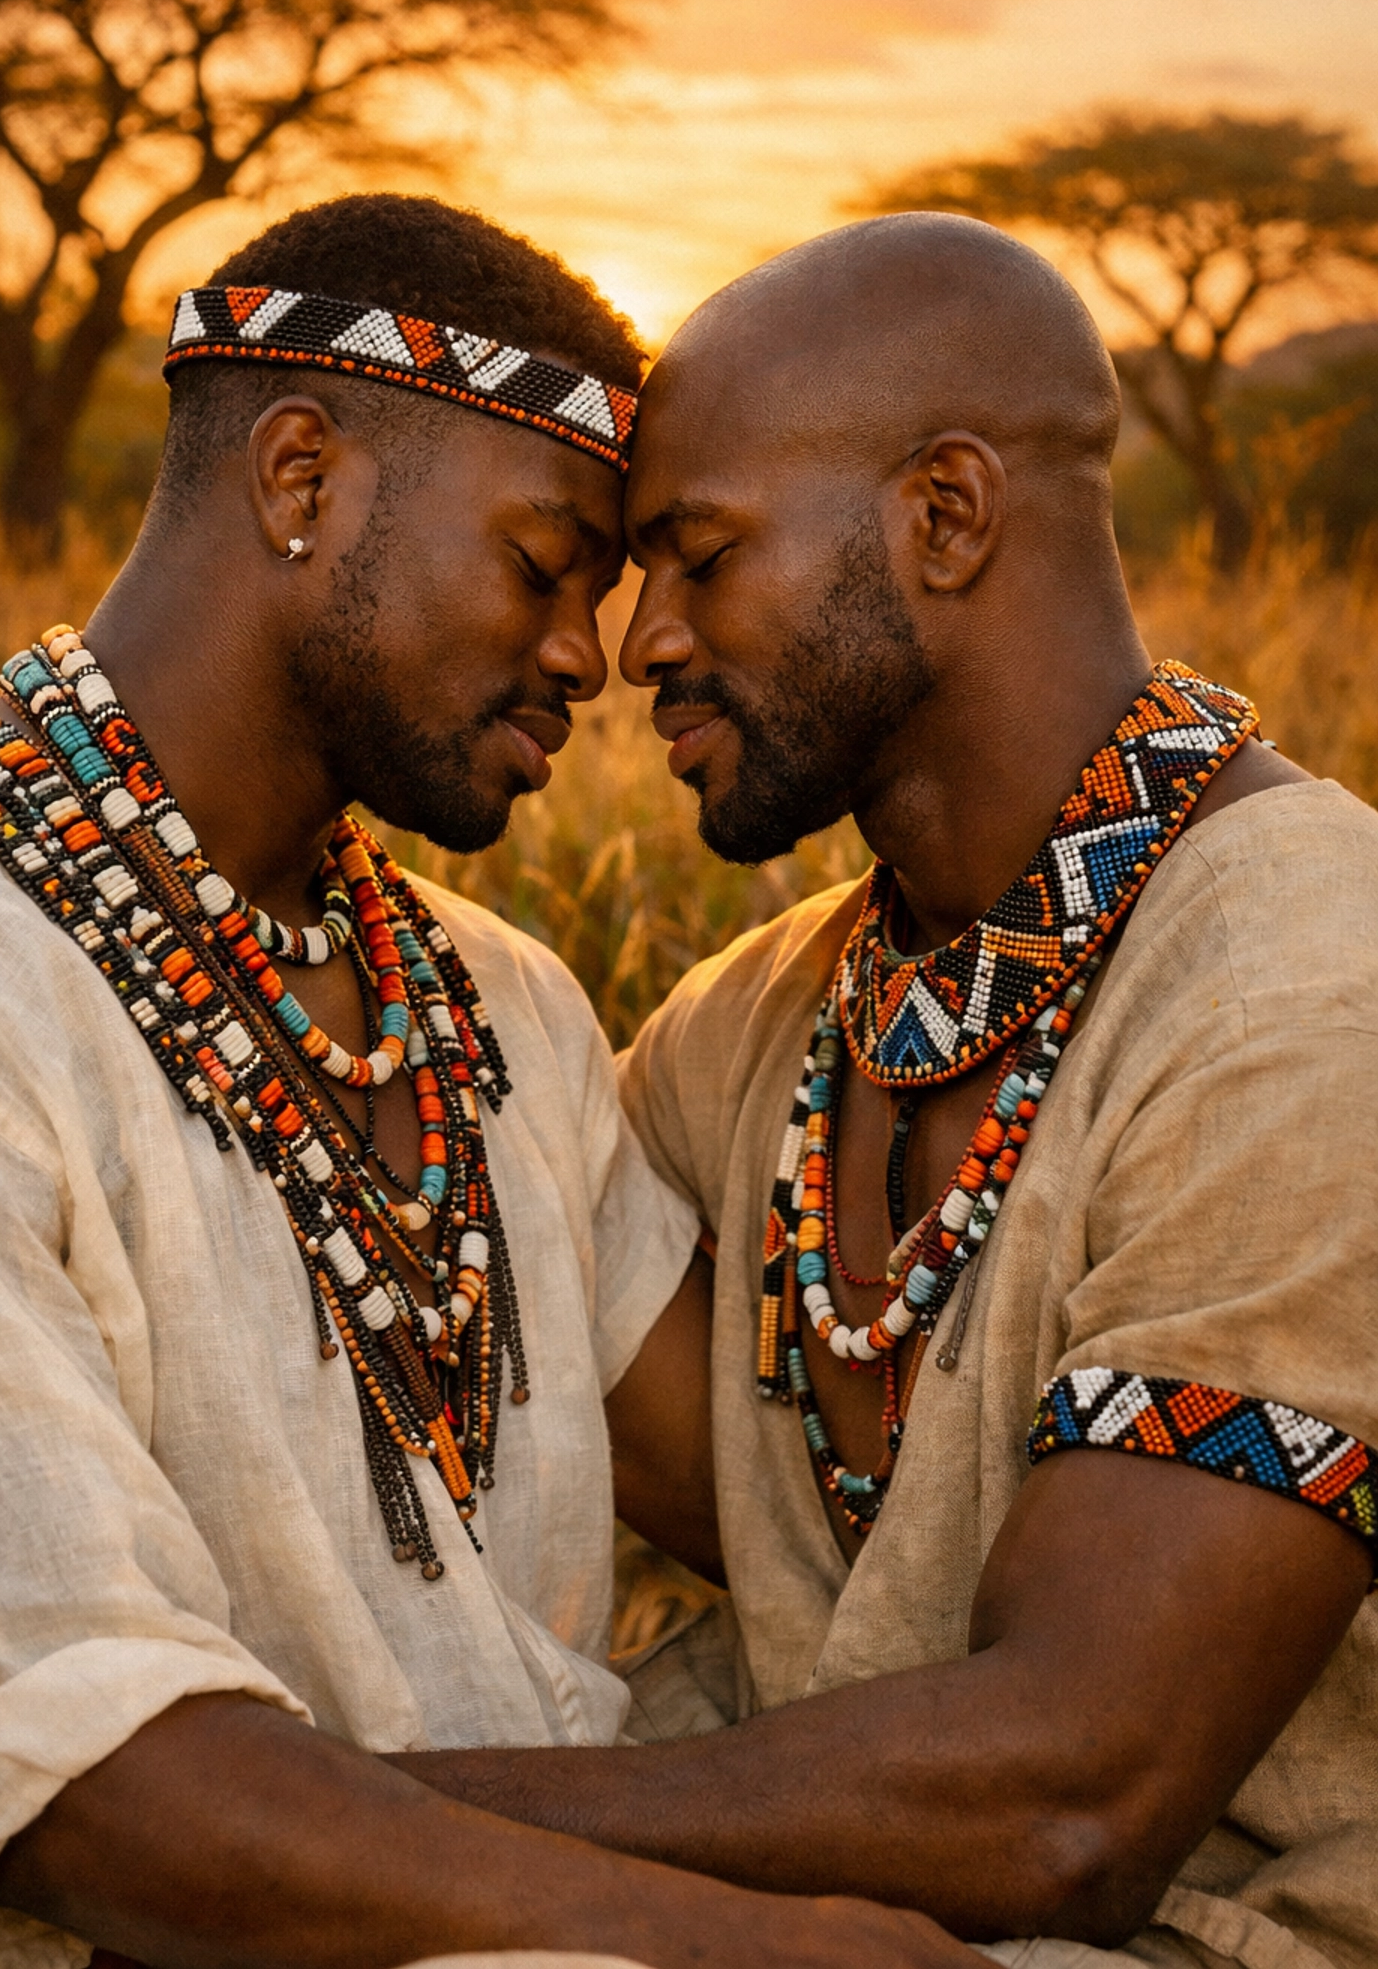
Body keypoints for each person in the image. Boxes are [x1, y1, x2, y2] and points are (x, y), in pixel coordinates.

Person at [0, 195, 967, 1969]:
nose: (586, 659)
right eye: (541, 565)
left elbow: (793, 1520)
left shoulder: (495, 1007)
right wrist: (750, 1946)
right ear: (302, 479)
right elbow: (79, 1785)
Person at [396, 215, 1378, 1969]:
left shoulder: (1309, 977)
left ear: (945, 515)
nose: (640, 647)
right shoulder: (751, 1026)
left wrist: (329, 1818)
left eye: (700, 555)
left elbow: (1073, 1801)